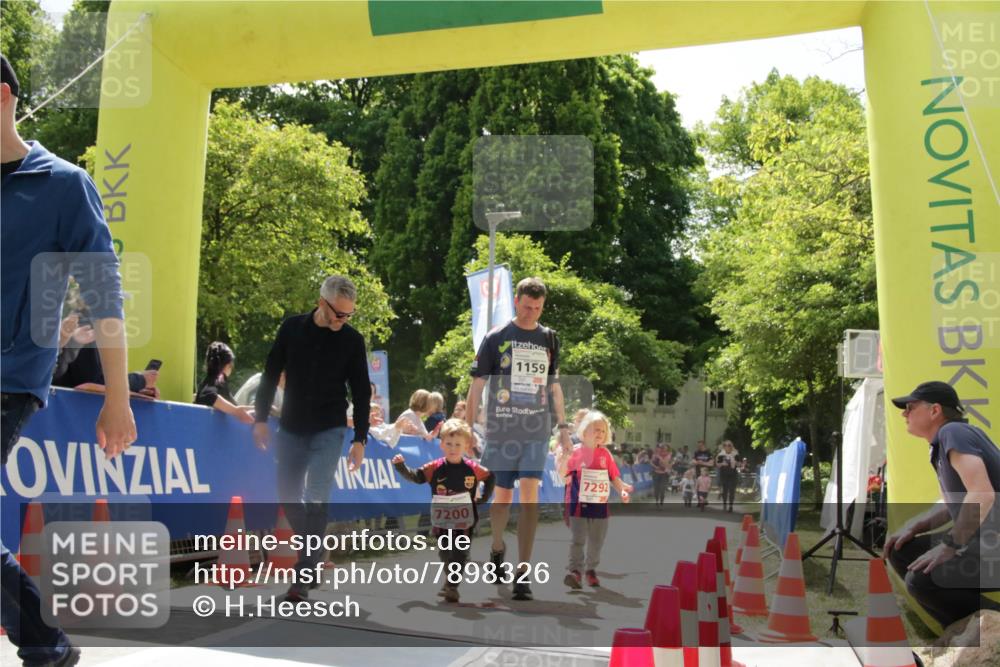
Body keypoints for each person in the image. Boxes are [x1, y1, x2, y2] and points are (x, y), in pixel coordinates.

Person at [2, 54, 135, 667]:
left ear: (3, 98)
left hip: (9, 378)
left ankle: (44, 643)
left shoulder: (63, 185)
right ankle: (46, 644)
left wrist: (116, 396)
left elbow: (104, 293)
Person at [253, 275, 372, 601]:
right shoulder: (292, 329)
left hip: (330, 428)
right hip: (291, 427)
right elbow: (270, 372)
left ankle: (302, 575)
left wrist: (359, 439)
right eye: (338, 314)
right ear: (322, 302)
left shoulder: (351, 340)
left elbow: (361, 392)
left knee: (317, 496)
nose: (343, 320)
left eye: (349, 315)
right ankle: (315, 553)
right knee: (287, 495)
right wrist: (260, 418)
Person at [466, 276, 572, 601]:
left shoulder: (550, 338)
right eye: (527, 307)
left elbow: (554, 385)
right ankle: (498, 546)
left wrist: (564, 427)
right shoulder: (497, 337)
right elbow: (477, 385)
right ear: (517, 301)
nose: (532, 314)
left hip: (536, 430)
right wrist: (468, 426)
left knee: (529, 496)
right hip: (501, 429)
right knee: (502, 497)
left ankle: (523, 573)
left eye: (538, 309)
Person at [883, 381, 1000, 628]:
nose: (904, 413)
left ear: (935, 410)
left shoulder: (953, 432)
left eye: (911, 407)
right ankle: (968, 631)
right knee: (901, 551)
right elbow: (951, 504)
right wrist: (914, 526)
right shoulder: (943, 442)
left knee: (922, 580)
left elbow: (982, 494)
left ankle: (987, 632)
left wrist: (948, 546)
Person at [392, 419, 495, 603]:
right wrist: (401, 467)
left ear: (466, 446)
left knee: (460, 551)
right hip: (442, 519)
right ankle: (450, 578)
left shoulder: (472, 468)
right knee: (445, 552)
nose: (453, 448)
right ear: (441, 445)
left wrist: (485, 497)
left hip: (465, 519)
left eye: (457, 445)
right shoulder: (435, 467)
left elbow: (489, 476)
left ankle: (452, 587)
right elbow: (416, 477)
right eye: (449, 443)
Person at [556, 411, 633, 589]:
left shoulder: (605, 455)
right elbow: (562, 475)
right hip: (578, 506)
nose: (599, 433)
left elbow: (614, 477)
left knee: (597, 540)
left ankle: (591, 570)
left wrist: (622, 490)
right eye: (595, 429)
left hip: (599, 508)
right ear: (584, 431)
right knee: (578, 539)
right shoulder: (575, 452)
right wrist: (564, 459)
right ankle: (575, 572)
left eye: (603, 431)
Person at [194, 342, 253, 424]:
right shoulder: (218, 380)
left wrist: (260, 411)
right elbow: (208, 395)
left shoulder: (208, 381)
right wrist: (235, 411)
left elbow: (237, 409)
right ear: (228, 365)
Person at [716, 440, 740, 512]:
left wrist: (735, 462)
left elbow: (739, 464)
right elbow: (717, 464)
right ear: (724, 447)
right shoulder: (721, 455)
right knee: (725, 490)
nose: (727, 447)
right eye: (725, 445)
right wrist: (722, 464)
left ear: (731, 446)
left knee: (732, 491)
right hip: (724, 474)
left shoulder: (735, 454)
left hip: (733, 474)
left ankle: (730, 506)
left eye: (729, 445)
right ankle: (724, 504)